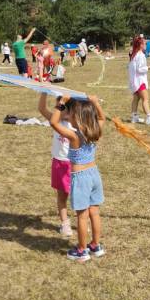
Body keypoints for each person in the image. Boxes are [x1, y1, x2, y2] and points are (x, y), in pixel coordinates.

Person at [49, 95, 106, 262]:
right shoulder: (96, 130)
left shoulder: (74, 136)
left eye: (72, 114)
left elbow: (54, 123)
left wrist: (61, 104)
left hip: (81, 178)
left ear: (79, 118)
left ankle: (82, 250)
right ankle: (95, 245)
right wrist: (95, 103)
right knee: (94, 212)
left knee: (82, 216)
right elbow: (101, 117)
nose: (69, 116)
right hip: (94, 174)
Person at [38, 94, 73, 237]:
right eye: (57, 106)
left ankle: (83, 220)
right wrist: (44, 92)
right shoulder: (55, 120)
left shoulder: (76, 123)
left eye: (61, 107)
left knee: (78, 197)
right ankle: (65, 224)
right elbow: (41, 109)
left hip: (74, 165)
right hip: (59, 163)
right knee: (62, 196)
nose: (57, 109)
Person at [128, 36, 150, 125]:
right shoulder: (140, 55)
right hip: (140, 81)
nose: (146, 45)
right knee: (145, 99)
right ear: (140, 45)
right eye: (145, 43)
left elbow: (133, 68)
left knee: (136, 98)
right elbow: (140, 69)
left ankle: (134, 117)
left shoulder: (134, 54)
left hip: (135, 81)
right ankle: (149, 117)